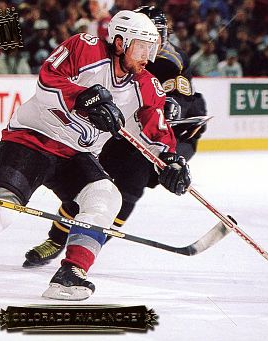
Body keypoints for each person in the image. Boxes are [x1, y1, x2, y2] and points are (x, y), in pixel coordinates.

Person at [0, 10, 191, 301]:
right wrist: (82, 96)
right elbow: (47, 80)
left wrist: (169, 160)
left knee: (106, 196)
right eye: (142, 48)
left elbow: (154, 129)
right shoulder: (85, 47)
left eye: (152, 49)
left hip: (76, 154)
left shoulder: (145, 85)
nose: (148, 57)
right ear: (120, 43)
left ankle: (70, 274)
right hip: (31, 139)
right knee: (2, 204)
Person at [23, 5, 208, 268]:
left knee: (130, 189)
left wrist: (175, 106)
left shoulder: (172, 61)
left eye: (156, 36)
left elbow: (187, 97)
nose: (151, 45)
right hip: (117, 130)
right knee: (91, 189)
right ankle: (56, 239)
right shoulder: (112, 52)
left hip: (155, 137)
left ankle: (90, 242)